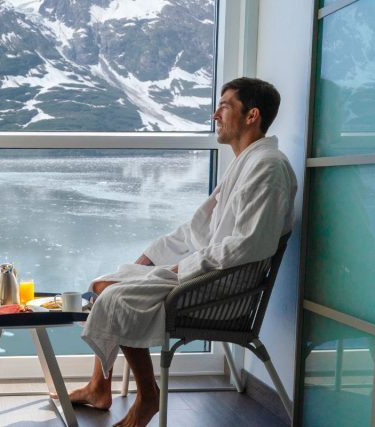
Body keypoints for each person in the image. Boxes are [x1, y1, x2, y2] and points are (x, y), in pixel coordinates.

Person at [68, 77, 298, 427]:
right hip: (208, 274)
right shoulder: (245, 163)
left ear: (252, 115)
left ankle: (148, 398)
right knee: (103, 284)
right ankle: (99, 387)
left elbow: (252, 244)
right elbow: (197, 230)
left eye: (224, 107)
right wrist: (149, 258)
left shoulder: (267, 168)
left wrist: (181, 269)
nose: (215, 114)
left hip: (225, 291)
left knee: (116, 299)